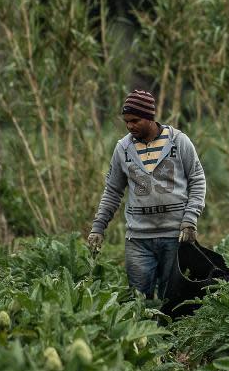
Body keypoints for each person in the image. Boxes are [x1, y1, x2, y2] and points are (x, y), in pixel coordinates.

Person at [86, 90, 207, 299]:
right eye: (126, 121)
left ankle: (170, 331)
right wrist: (98, 227)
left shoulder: (179, 141)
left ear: (150, 117)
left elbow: (197, 180)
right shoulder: (123, 148)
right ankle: (143, 331)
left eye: (135, 120)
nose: (130, 126)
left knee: (173, 297)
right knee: (139, 297)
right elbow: (113, 191)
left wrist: (190, 220)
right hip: (138, 238)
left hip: (174, 235)